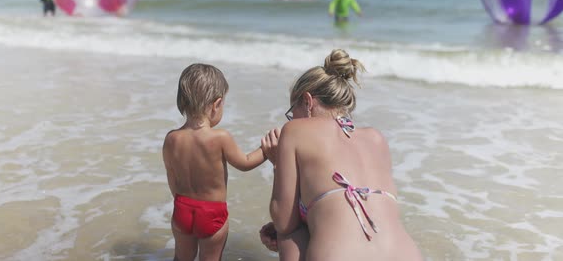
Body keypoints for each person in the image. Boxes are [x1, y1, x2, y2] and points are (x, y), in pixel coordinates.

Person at [263, 49, 422, 260]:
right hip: (407, 255)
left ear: (307, 101)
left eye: (292, 112)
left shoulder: (296, 130)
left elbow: (284, 221)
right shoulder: (376, 138)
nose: (292, 119)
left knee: (289, 232)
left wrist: (277, 166)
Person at [163, 63, 279, 261]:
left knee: (181, 258)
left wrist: (184, 203)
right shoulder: (220, 137)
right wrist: (267, 150)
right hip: (211, 214)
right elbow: (245, 163)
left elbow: (172, 179)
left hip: (182, 209)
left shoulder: (172, 138)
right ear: (216, 105)